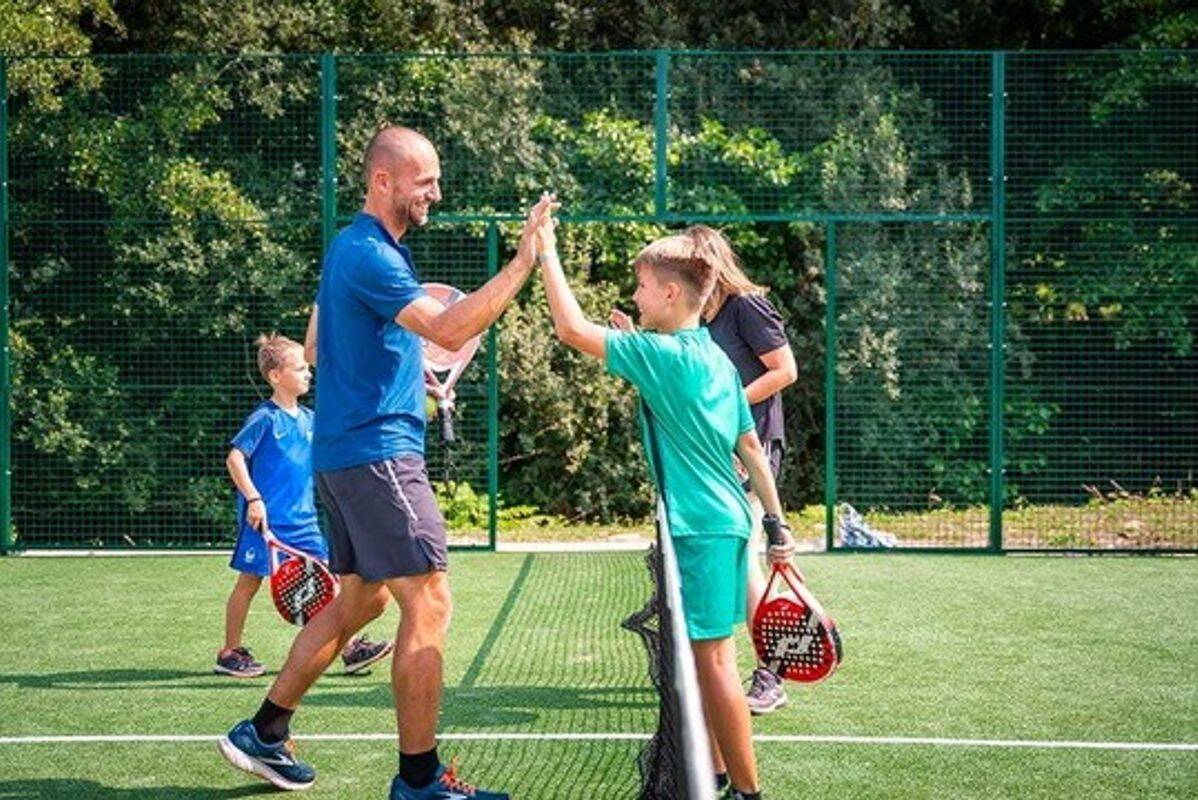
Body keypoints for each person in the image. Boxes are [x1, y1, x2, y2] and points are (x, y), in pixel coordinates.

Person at [217, 126, 554, 799]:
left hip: (343, 458)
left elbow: (315, 347)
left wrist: (396, 366)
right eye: (424, 180)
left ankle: (265, 730)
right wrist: (525, 260)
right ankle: (420, 782)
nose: (435, 191)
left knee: (358, 604)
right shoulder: (372, 255)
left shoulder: (353, 251)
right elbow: (452, 329)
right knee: (429, 599)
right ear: (383, 182)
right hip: (377, 457)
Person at [535, 210, 795, 800]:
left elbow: (572, 330)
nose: (635, 294)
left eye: (643, 286)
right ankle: (718, 774)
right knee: (708, 662)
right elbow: (751, 448)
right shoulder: (710, 358)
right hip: (730, 521)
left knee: (716, 664)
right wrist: (777, 527)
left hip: (701, 528)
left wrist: (547, 252)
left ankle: (747, 794)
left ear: (672, 292)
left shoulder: (665, 357)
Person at [217, 332, 393, 679]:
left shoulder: (310, 420)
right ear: (276, 376)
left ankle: (350, 647)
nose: (308, 374)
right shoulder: (264, 418)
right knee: (249, 583)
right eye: (299, 369)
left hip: (304, 523)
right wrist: (254, 499)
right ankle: (229, 652)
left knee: (333, 582)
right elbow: (235, 458)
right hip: (264, 522)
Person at [699, 230, 797, 715]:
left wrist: (728, 406)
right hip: (717, 451)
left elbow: (784, 370)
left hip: (752, 448)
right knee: (736, 562)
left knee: (745, 562)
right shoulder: (701, 318)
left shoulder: (746, 306)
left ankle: (771, 674)